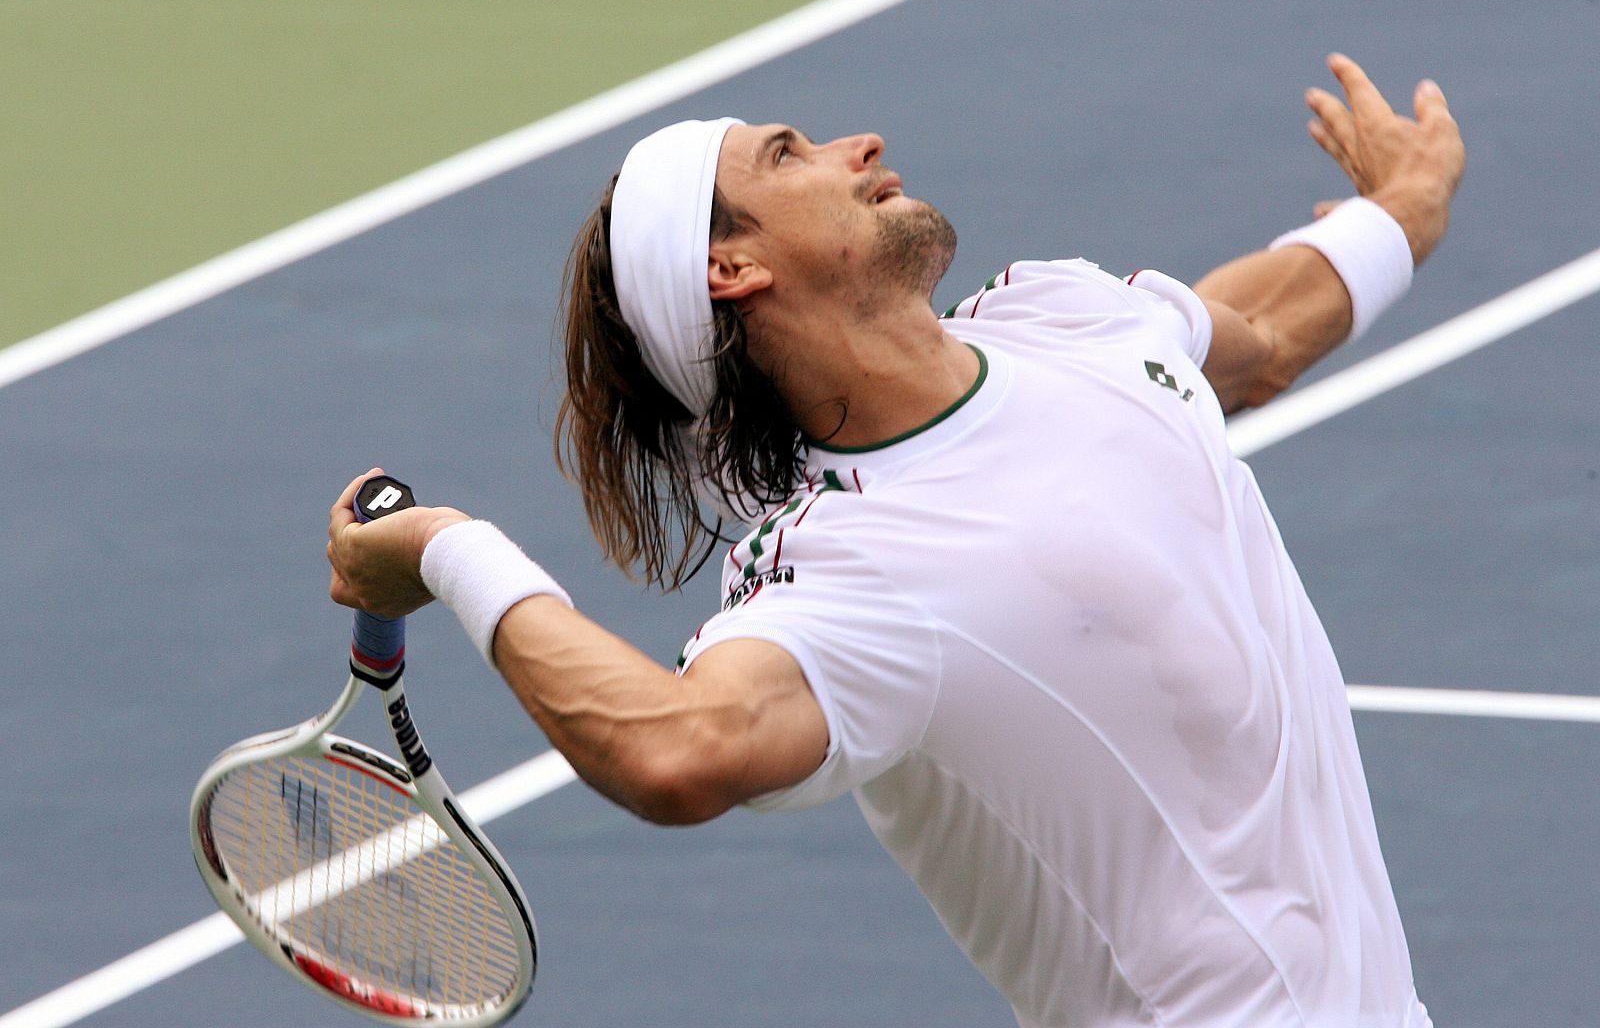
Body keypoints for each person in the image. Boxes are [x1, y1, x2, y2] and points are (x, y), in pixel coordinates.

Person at [327, 53, 1465, 1027]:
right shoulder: (847, 567)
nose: (857, 146)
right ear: (733, 268)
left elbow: (1255, 337)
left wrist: (1397, 215)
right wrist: (447, 547)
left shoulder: (1065, 315)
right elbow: (671, 753)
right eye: (788, 156)